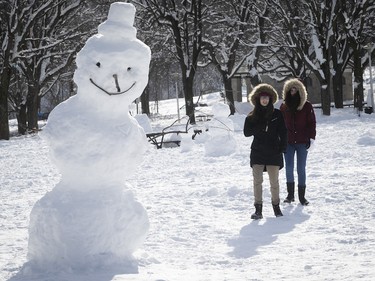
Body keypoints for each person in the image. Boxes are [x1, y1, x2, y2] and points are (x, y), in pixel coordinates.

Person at [244, 84, 287, 220]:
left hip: (274, 152)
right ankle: (258, 209)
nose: (264, 100)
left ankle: (276, 206)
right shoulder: (252, 115)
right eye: (262, 98)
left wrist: (283, 146)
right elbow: (246, 132)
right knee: (257, 181)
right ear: (257, 99)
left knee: (274, 182)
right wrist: (258, 125)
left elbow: (283, 132)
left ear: (270, 99)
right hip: (258, 152)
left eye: (267, 98)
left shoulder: (277, 114)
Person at [280, 78, 316, 206]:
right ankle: (290, 195)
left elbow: (312, 123)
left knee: (301, 168)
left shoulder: (307, 105)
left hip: (302, 142)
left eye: (295, 88)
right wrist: (280, 140)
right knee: (289, 168)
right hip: (288, 142)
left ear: (300, 90)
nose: (293, 91)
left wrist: (311, 139)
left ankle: (302, 197)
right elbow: (280, 125)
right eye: (290, 89)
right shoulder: (284, 107)